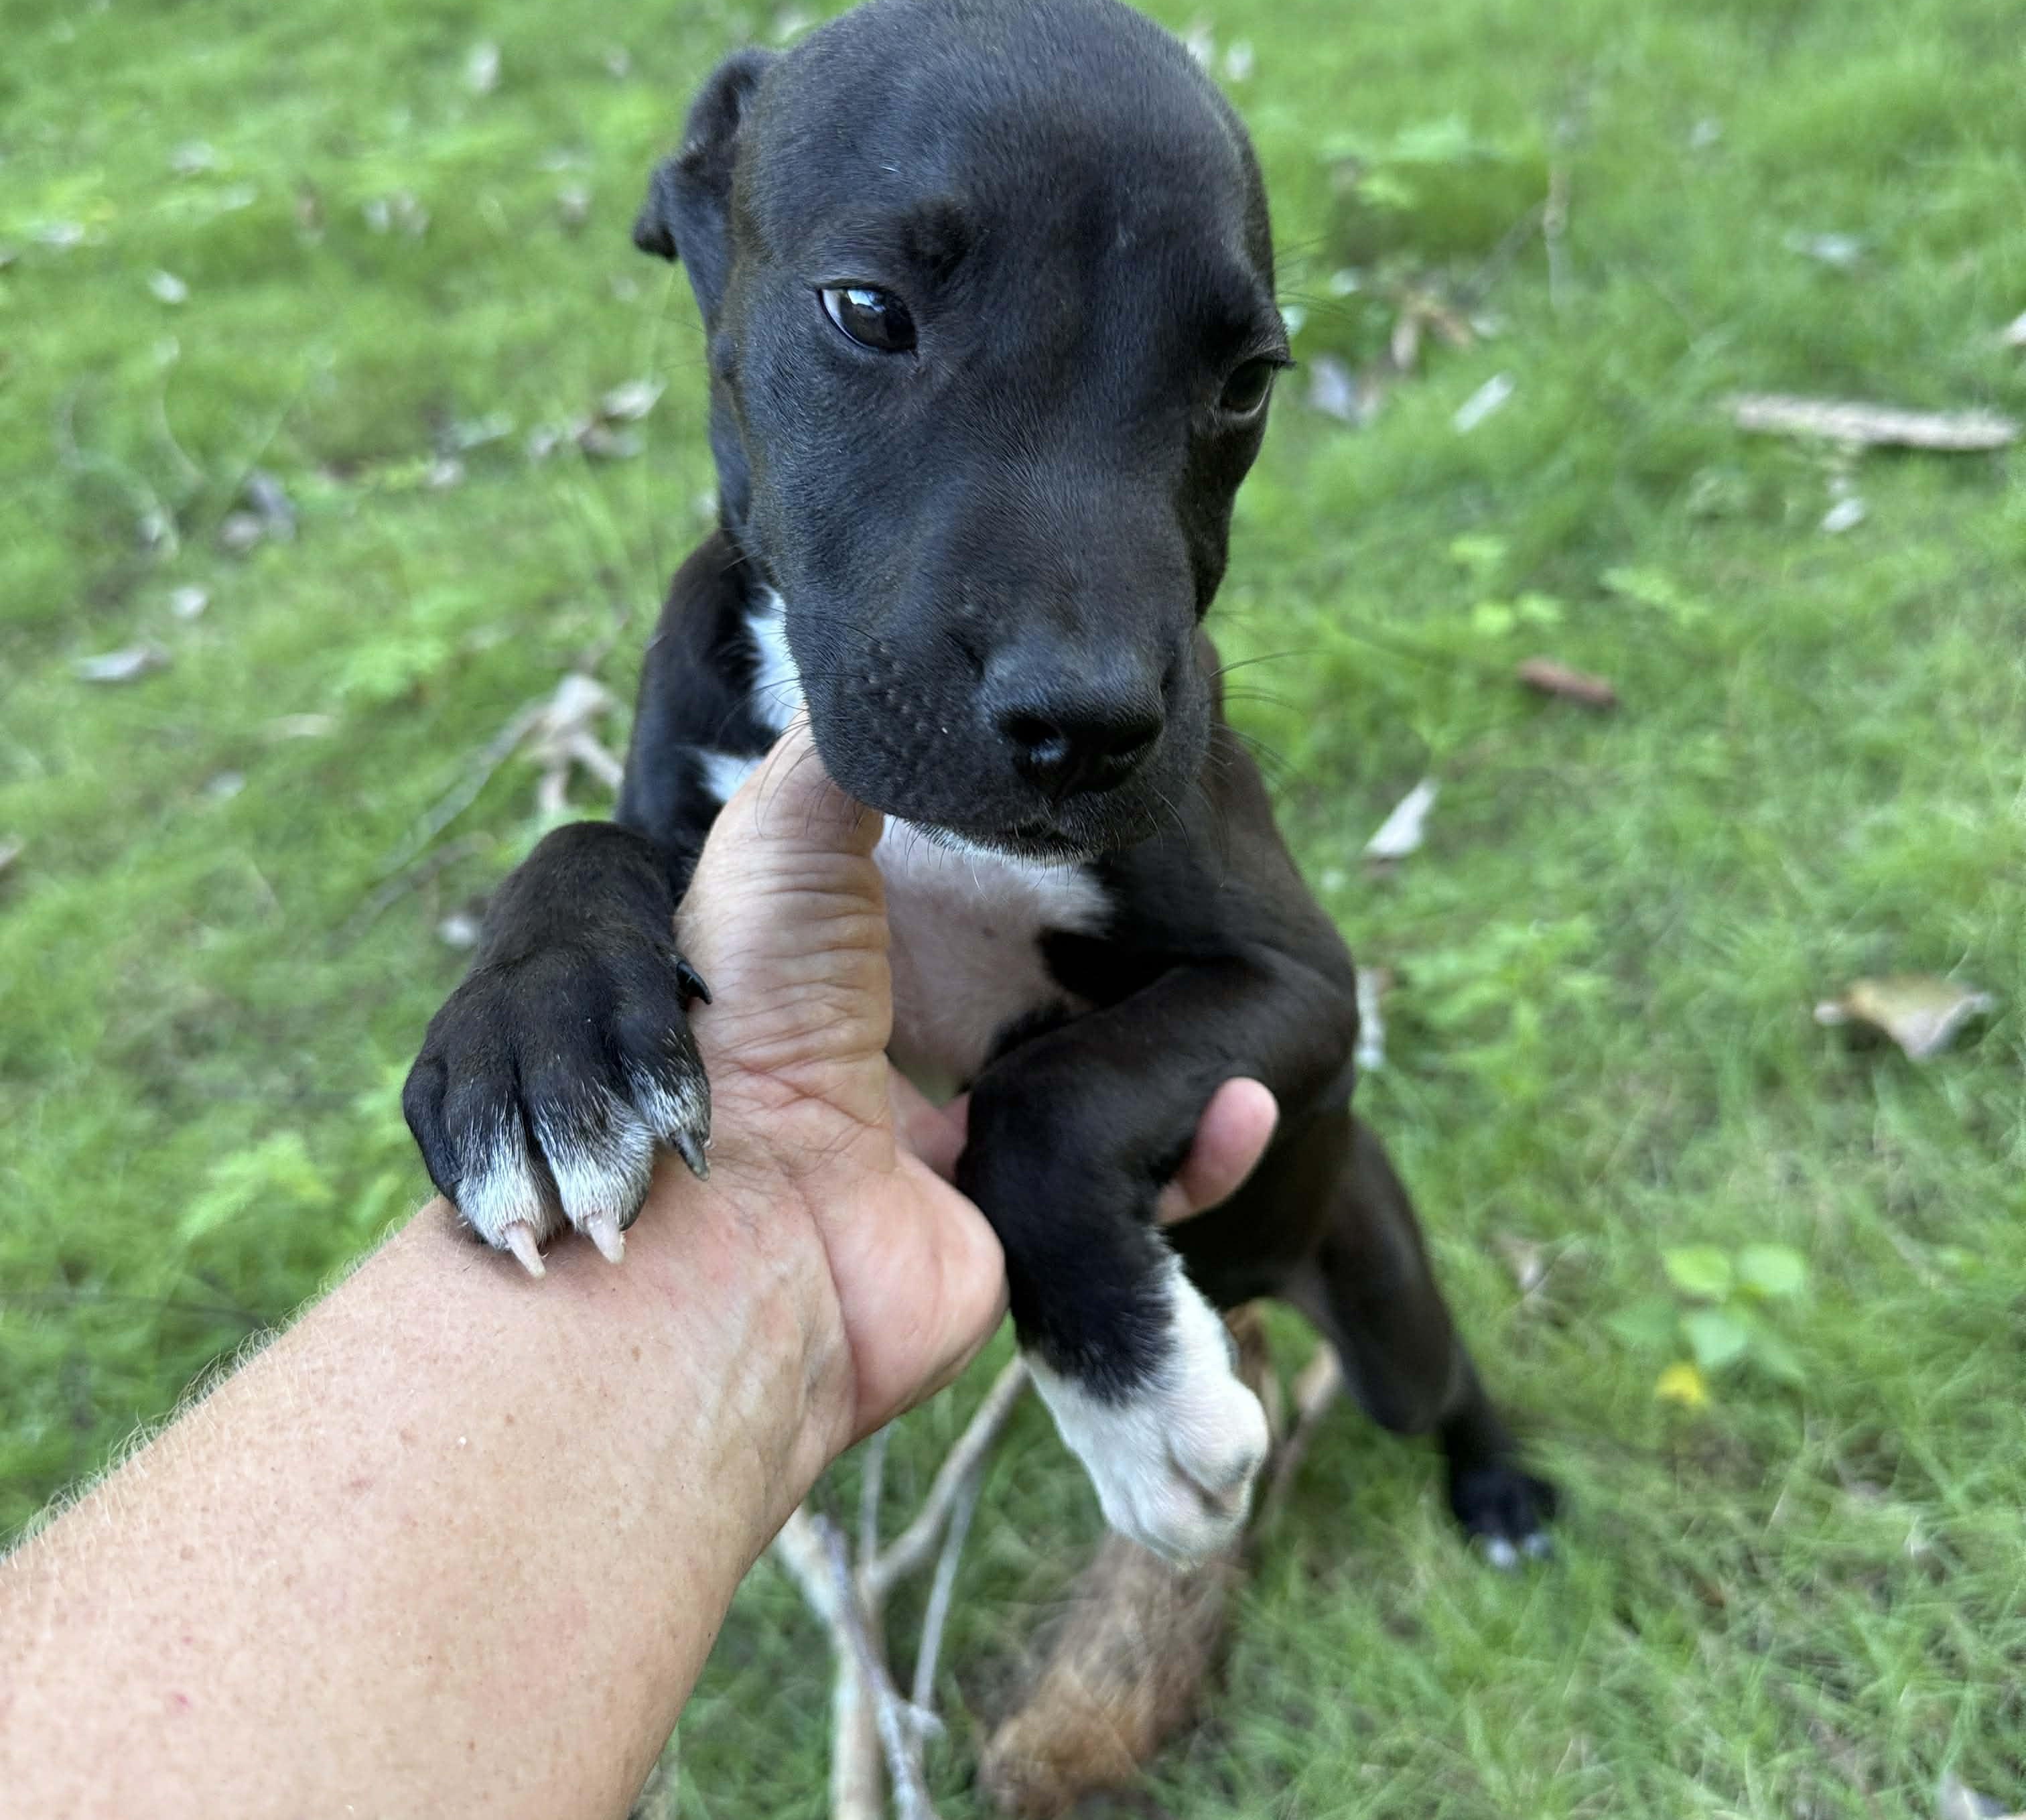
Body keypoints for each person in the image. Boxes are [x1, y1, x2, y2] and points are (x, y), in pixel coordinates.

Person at [0, 722, 1277, 1818]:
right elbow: (656, 867)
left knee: (1384, 1354)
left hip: (1262, 1198)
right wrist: (561, 924)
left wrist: (1044, 1170)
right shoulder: (717, 700)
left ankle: (1408, 1418)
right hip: (934, 1200)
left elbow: (1286, 973)